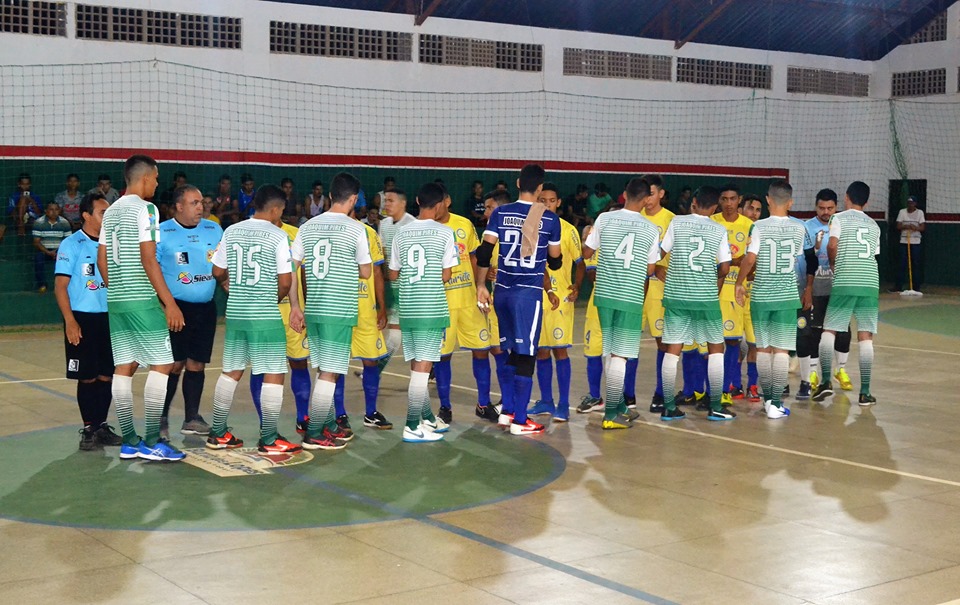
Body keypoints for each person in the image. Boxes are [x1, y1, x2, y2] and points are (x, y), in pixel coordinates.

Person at [96, 155, 185, 461]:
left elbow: (102, 260)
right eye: (156, 178)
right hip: (142, 301)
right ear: (145, 177)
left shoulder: (110, 211)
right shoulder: (146, 209)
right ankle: (151, 441)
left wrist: (118, 290)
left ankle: (129, 441)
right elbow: (149, 259)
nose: (157, 183)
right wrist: (169, 303)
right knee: (162, 365)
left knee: (123, 368)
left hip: (117, 302)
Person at [209, 185, 302, 454]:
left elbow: (217, 270)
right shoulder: (277, 236)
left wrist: (229, 284)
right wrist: (268, 300)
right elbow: (285, 282)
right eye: (282, 209)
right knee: (273, 373)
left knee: (230, 372)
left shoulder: (232, 230)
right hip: (263, 315)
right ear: (275, 209)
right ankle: (270, 438)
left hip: (236, 313)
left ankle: (218, 433)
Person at [476, 163, 563, 436]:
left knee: (510, 351)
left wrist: (481, 285)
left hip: (501, 289)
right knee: (527, 355)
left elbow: (483, 253)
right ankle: (521, 420)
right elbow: (556, 262)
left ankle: (509, 411)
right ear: (540, 189)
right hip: (527, 294)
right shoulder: (549, 219)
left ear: (517, 183)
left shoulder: (500, 212)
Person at [291, 172, 372, 450]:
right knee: (331, 372)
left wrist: (295, 306)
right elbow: (366, 272)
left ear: (328, 196)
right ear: (352, 199)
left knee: (324, 369)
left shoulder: (307, 226)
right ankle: (314, 432)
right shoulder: (356, 229)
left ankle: (326, 423)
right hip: (339, 308)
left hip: (314, 308)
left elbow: (293, 267)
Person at [582, 177, 661, 429]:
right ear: (647, 198)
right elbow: (650, 268)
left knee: (610, 349)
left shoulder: (604, 219)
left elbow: (587, 251)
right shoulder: (650, 229)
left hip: (604, 294)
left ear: (624, 194)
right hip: (629, 295)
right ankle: (611, 415)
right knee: (620, 354)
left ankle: (617, 406)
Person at [736, 181, 815, 419]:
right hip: (786, 296)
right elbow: (802, 258)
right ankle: (775, 403)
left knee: (762, 348)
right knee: (781, 350)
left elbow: (750, 259)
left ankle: (765, 397)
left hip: (761, 295)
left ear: (768, 200)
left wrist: (739, 283)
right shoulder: (800, 228)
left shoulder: (757, 226)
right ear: (790, 202)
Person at [388, 183, 461, 442]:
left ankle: (427, 418)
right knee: (423, 367)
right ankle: (411, 425)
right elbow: (447, 273)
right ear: (441, 204)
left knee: (418, 365)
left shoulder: (402, 233)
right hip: (431, 308)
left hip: (407, 308)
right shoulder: (445, 232)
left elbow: (393, 273)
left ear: (417, 200)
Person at [658, 185, 735, 421]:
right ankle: (715, 406)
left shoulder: (677, 223)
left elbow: (660, 252)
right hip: (705, 298)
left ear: (693, 202)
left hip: (677, 296)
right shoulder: (718, 229)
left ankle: (669, 406)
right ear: (714, 207)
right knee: (715, 349)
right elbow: (724, 267)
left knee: (673, 350)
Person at [54, 193, 121, 450]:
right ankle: (89, 429)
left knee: (106, 375)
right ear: (86, 215)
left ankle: (101, 426)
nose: (109, 217)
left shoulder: (112, 245)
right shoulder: (72, 245)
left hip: (109, 317)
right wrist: (70, 321)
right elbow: (60, 287)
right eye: (103, 212)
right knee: (87, 377)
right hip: (82, 318)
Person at [156, 185, 223, 438]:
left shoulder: (214, 229)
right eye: (194, 203)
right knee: (173, 365)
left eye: (201, 202)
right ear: (179, 206)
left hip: (205, 308)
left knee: (197, 364)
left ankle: (192, 418)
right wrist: (166, 306)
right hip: (175, 309)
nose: (200, 207)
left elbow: (221, 268)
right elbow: (151, 272)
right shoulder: (162, 232)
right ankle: (160, 418)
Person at [247, 197, 313, 440]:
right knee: (262, 369)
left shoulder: (296, 234)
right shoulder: (247, 232)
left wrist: (307, 307)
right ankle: (266, 424)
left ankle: (303, 418)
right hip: (264, 313)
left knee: (299, 363)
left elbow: (302, 273)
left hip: (294, 313)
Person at [812, 181, 881, 406]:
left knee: (829, 330)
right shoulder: (874, 225)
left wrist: (834, 265)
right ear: (867, 201)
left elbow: (832, 245)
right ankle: (866, 392)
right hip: (870, 282)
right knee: (865, 336)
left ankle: (825, 381)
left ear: (846, 198)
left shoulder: (838, 219)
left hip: (846, 279)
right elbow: (874, 254)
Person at [433, 184, 494, 426]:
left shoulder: (464, 224)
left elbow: (475, 257)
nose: (435, 208)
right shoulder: (428, 230)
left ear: (447, 201)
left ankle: (483, 404)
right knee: (442, 357)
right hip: (443, 305)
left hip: (469, 301)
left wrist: (481, 286)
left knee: (482, 350)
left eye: (439, 202)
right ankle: (445, 407)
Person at [528, 183, 582, 422]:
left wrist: (576, 286)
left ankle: (564, 403)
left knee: (560, 350)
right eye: (542, 200)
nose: (547, 204)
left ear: (558, 203)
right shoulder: (530, 227)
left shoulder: (568, 230)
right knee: (540, 351)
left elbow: (581, 262)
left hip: (559, 299)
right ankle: (546, 401)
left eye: (551, 200)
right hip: (536, 295)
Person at [336, 212, 393, 431]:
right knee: (337, 363)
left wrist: (381, 306)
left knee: (371, 361)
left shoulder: (368, 232)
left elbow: (378, 271)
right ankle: (339, 414)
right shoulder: (329, 230)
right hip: (338, 307)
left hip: (366, 309)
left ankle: (371, 413)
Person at [797, 189, 853, 399]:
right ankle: (812, 373)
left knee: (843, 330)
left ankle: (840, 369)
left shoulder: (842, 225)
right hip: (815, 288)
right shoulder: (806, 227)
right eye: (821, 208)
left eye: (830, 208)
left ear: (836, 207)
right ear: (815, 206)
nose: (825, 212)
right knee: (813, 331)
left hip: (838, 288)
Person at [712, 183, 753, 405]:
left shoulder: (749, 226)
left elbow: (754, 262)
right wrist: (733, 262)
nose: (729, 203)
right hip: (713, 291)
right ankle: (711, 389)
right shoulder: (712, 223)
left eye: (733, 199)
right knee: (710, 342)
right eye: (724, 199)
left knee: (733, 342)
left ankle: (728, 386)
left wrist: (740, 264)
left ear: (739, 200)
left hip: (737, 292)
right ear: (719, 201)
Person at [638, 175, 675, 413]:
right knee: (626, 342)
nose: (647, 198)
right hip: (634, 289)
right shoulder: (633, 217)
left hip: (660, 291)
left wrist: (662, 267)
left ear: (660, 194)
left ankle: (661, 394)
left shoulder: (672, 220)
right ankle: (626, 395)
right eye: (644, 194)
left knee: (664, 343)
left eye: (651, 193)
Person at [375, 188, 416, 377]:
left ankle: (377, 369)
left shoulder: (413, 225)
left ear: (403, 203)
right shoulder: (383, 224)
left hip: (409, 288)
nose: (386, 204)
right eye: (385, 201)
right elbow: (382, 254)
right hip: (391, 286)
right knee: (398, 333)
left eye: (391, 201)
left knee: (399, 334)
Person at [575, 228, 604, 414]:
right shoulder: (595, 251)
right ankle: (595, 397)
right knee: (593, 351)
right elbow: (592, 275)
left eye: (588, 238)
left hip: (618, 302)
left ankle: (624, 397)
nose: (586, 242)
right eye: (584, 238)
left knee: (620, 354)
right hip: (597, 304)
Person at [737, 195, 763, 401]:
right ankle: (734, 384)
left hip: (755, 294)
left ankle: (752, 385)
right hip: (735, 294)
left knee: (754, 343)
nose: (754, 213)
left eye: (758, 209)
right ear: (741, 209)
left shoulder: (762, 232)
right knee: (734, 342)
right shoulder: (735, 233)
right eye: (750, 208)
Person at [33, 202, 72, 293]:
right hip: (44, 251)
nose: (54, 212)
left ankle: (64, 286)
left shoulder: (64, 223)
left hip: (60, 251)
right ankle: (42, 285)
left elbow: (68, 241)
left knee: (69, 259)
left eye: (56, 209)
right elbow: (36, 242)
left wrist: (58, 251)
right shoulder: (39, 223)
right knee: (38, 258)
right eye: (51, 209)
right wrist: (48, 252)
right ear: (46, 211)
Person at [893, 195, 925, 293]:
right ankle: (898, 287)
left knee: (915, 264)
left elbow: (922, 227)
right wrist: (905, 226)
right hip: (904, 241)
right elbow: (898, 225)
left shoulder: (920, 213)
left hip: (916, 242)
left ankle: (916, 287)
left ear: (915, 204)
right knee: (901, 264)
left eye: (912, 203)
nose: (910, 205)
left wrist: (915, 228)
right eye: (909, 203)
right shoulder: (902, 212)